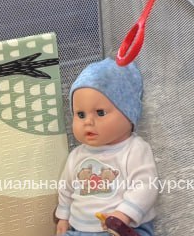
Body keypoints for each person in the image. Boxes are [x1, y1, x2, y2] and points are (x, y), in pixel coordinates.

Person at [56, 59, 157, 235]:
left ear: (128, 113)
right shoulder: (77, 155)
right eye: (80, 115)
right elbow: (66, 188)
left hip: (125, 228)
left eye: (100, 113)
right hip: (80, 229)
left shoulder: (134, 149)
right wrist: (63, 217)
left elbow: (145, 185)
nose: (88, 122)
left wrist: (123, 215)